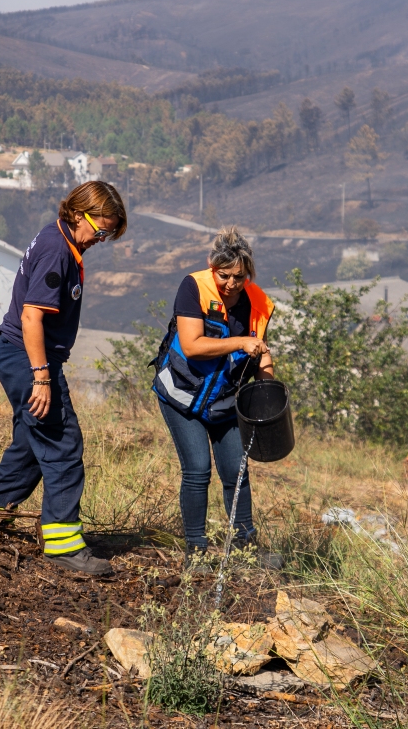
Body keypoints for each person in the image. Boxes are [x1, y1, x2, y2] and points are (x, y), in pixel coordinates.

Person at [0, 181, 127, 576]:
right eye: (100, 228)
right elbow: (31, 316)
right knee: (62, 444)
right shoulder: (57, 250)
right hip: (27, 359)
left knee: (30, 441)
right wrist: (42, 377)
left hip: (22, 357)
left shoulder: (61, 240)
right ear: (79, 213)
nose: (101, 237)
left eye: (108, 232)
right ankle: (63, 545)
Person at [151, 227, 281, 568]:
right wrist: (239, 343)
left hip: (224, 402)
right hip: (181, 396)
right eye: (224, 275)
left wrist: (267, 389)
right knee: (197, 470)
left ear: (248, 273)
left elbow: (261, 353)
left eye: (239, 277)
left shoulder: (258, 304)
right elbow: (192, 345)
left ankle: (245, 549)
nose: (230, 284)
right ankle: (195, 553)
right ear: (212, 266)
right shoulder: (193, 287)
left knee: (236, 472)